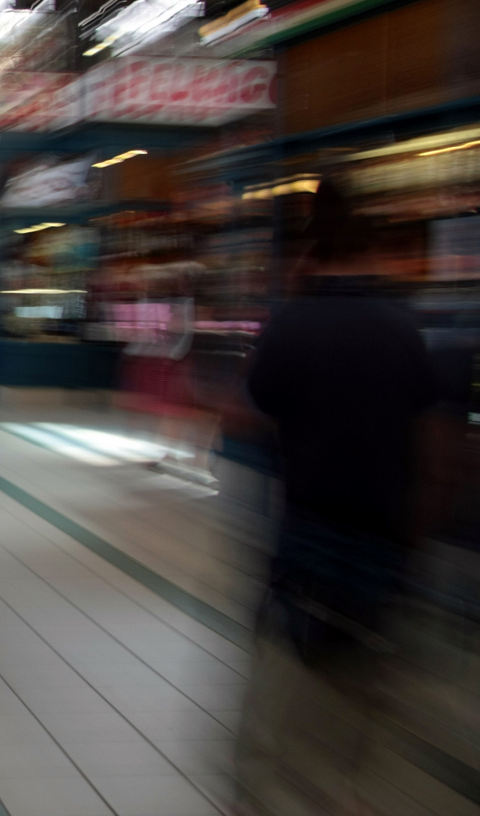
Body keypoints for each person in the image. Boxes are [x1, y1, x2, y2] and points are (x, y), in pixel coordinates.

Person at [236, 181, 437, 814]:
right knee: (355, 690)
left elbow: (249, 414)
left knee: (279, 690)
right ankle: (341, 793)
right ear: (371, 251)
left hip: (308, 531)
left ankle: (268, 795)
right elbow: (431, 443)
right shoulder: (405, 329)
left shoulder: (292, 325)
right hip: (382, 537)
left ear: (310, 254)